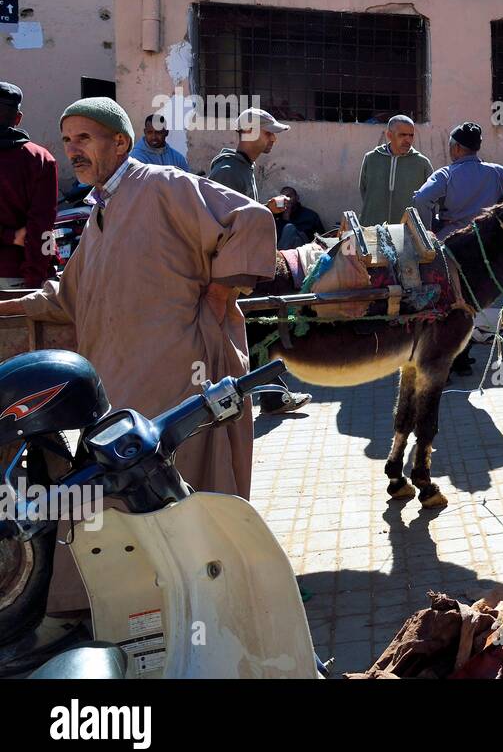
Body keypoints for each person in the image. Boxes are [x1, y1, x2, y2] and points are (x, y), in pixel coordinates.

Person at [0, 97, 276, 612]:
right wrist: (10, 304)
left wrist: (220, 294)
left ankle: (209, 607)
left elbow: (251, 218)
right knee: (127, 504)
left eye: (84, 138)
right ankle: (142, 608)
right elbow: (68, 296)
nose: (72, 150)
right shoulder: (102, 209)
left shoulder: (162, 186)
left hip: (180, 376)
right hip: (121, 387)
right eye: (66, 141)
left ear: (120, 142)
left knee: (183, 499)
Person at [208, 107, 312, 415]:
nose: (273, 141)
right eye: (268, 133)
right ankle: (261, 396)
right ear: (251, 132)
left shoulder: (243, 167)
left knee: (257, 332)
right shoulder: (228, 170)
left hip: (242, 268)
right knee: (255, 333)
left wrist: (264, 209)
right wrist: (265, 210)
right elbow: (219, 221)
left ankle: (270, 395)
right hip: (231, 271)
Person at [412, 121, 503, 375]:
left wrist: (430, 226)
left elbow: (421, 198)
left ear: (458, 148)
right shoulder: (497, 172)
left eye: (452, 146)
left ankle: (444, 363)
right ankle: (462, 359)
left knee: (445, 305)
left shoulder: (446, 174)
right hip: (486, 249)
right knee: (471, 304)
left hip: (451, 247)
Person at [0, 82, 58, 289]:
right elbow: (43, 228)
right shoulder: (40, 159)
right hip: (18, 277)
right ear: (17, 118)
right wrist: (35, 281)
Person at [358, 115, 434, 226]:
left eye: (411, 135)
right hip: (372, 228)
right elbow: (363, 189)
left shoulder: (422, 163)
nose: (408, 140)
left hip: (408, 231)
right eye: (402, 135)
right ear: (389, 135)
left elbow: (431, 197)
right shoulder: (371, 158)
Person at [274, 186, 326, 250]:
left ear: (297, 198)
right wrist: (285, 216)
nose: (286, 200)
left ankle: (279, 257)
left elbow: (322, 237)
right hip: (284, 247)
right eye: (283, 198)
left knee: (289, 228)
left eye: (289, 196)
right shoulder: (277, 216)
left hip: (304, 247)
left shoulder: (310, 215)